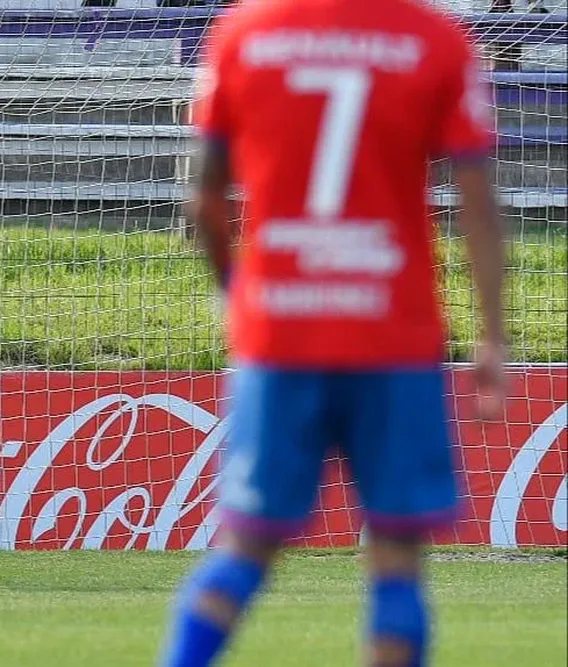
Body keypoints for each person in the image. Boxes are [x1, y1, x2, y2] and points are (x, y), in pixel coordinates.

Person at [161, 0, 507, 665]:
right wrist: (492, 336)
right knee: (398, 560)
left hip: (280, 332)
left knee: (244, 548)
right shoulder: (435, 38)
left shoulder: (244, 33)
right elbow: (477, 204)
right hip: (395, 337)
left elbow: (203, 198)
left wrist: (240, 294)